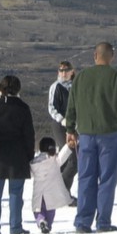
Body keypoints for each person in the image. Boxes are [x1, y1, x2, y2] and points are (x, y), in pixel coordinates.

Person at [65, 42, 117, 233]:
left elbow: (72, 105)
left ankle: (83, 222)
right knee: (107, 178)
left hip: (86, 134)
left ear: (95, 55)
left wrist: (70, 128)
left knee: (86, 177)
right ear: (112, 56)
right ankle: (103, 222)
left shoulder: (81, 77)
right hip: (110, 134)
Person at [0, 75, 36, 234]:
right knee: (16, 193)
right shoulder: (23, 108)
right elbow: (29, 135)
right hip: (17, 156)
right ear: (18, 89)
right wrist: (29, 156)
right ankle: (15, 226)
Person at [47, 61, 79, 201]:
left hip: (75, 126)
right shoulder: (56, 87)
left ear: (72, 71)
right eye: (61, 71)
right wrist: (62, 119)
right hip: (60, 125)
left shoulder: (76, 87)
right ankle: (63, 194)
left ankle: (54, 190)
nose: (63, 73)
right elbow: (52, 107)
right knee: (72, 158)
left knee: (67, 161)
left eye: (66, 70)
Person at [30, 137, 75, 234]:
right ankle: (48, 224)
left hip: (39, 194)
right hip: (51, 195)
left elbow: (30, 173)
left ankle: (41, 221)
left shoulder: (34, 162)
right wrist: (68, 146)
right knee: (50, 211)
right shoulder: (55, 161)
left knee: (38, 211)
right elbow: (63, 155)